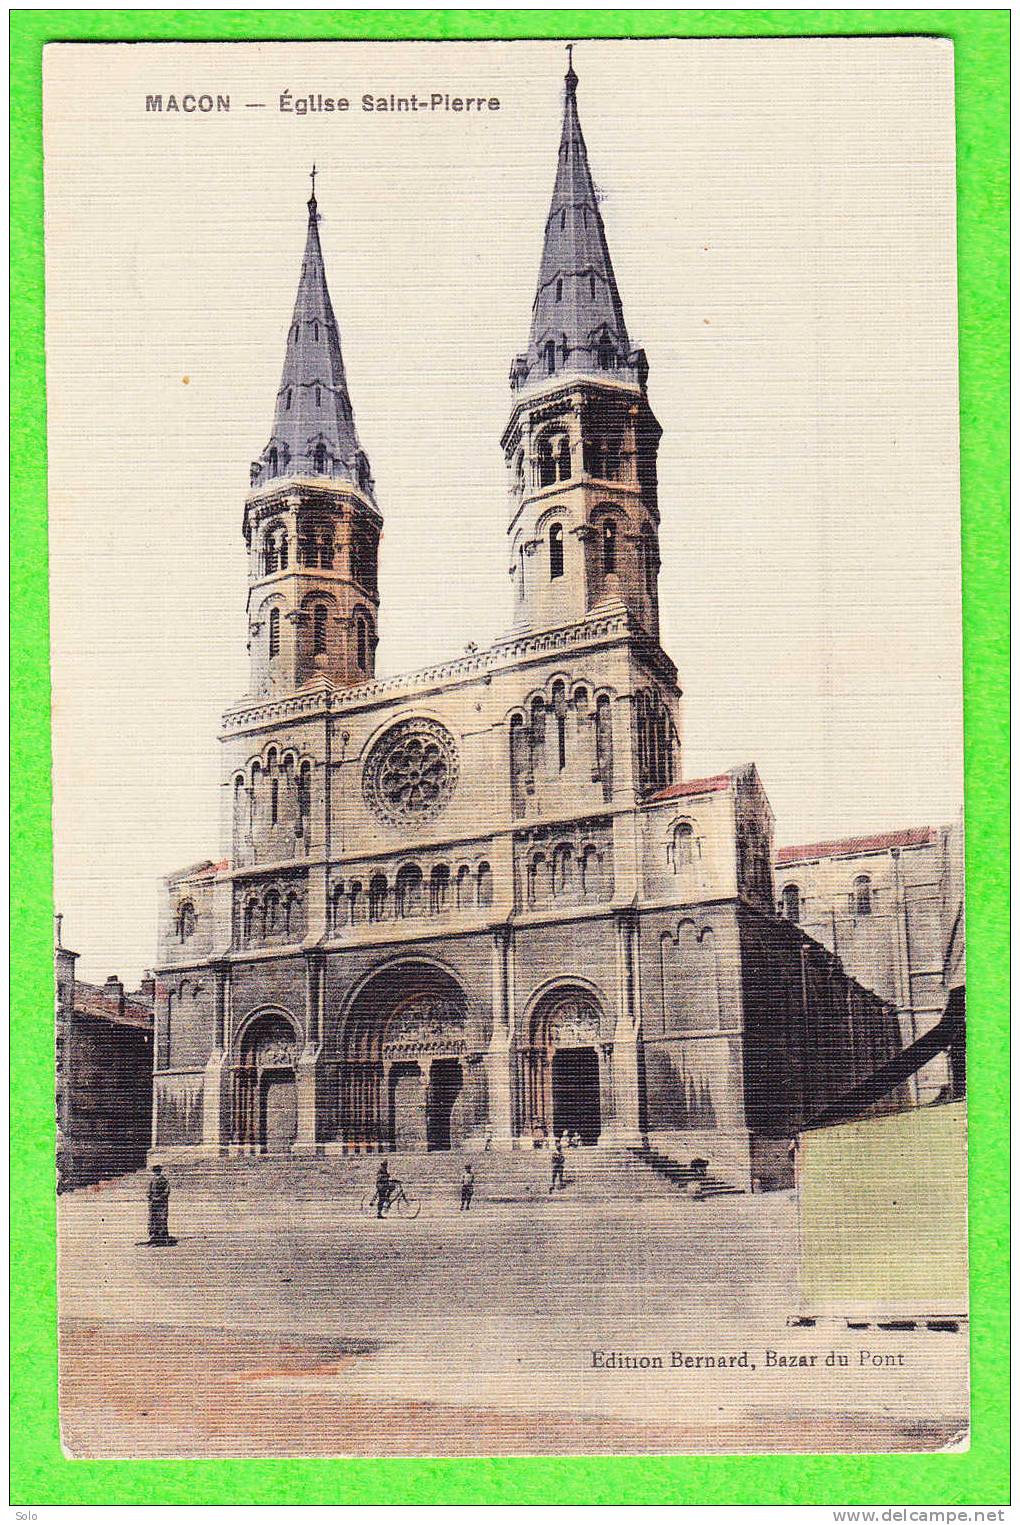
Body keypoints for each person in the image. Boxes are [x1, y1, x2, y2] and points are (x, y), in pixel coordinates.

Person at [146, 1164, 174, 1245]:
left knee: (162, 1219)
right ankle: (154, 1236)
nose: (156, 1172)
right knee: (153, 1219)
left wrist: (160, 1198)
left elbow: (167, 1191)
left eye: (158, 1170)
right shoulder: (152, 1180)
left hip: (162, 1204)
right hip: (153, 1203)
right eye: (155, 1171)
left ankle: (162, 1237)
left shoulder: (164, 1180)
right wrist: (151, 1197)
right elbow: (148, 1191)